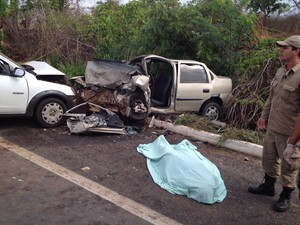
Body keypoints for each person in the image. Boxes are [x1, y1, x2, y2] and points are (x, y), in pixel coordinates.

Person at [248, 35, 300, 212]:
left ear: (296, 51)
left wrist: (293, 142)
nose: (281, 50)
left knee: (289, 165)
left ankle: (285, 196)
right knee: (269, 158)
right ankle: (268, 186)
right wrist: (263, 116)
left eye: (285, 47)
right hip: (272, 126)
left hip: (289, 131)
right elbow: (271, 97)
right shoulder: (280, 71)